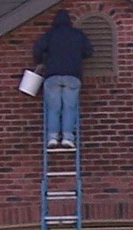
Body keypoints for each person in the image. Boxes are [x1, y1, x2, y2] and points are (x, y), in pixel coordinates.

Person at [33, 9, 93, 148]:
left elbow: (37, 50)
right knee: (70, 108)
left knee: (53, 108)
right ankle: (67, 137)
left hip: (52, 75)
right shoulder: (78, 35)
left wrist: (42, 60)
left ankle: (52, 137)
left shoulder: (50, 35)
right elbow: (89, 51)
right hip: (72, 75)